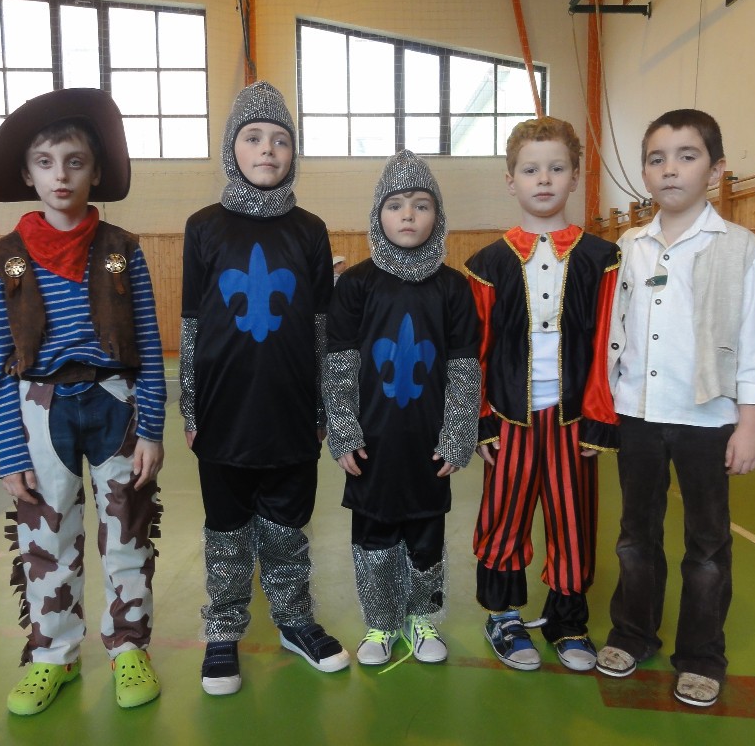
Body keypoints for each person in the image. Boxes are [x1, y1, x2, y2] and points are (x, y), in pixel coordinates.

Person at [0, 88, 166, 715]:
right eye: (45, 162)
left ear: (95, 171)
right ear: (27, 173)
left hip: (116, 403)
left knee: (127, 531)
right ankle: (52, 655)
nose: (60, 175)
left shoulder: (121, 250)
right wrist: (10, 452)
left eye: (74, 161)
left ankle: (129, 647)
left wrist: (151, 428)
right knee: (46, 535)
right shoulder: (5, 260)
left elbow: (149, 342)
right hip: (42, 409)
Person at [595, 109, 755, 707]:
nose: (670, 169)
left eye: (687, 156)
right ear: (645, 172)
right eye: (657, 158)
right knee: (635, 535)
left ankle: (701, 655)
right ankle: (634, 632)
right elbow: (611, 332)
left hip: (707, 419)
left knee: (707, 544)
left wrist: (749, 423)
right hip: (638, 415)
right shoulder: (628, 247)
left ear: (716, 170)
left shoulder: (742, 249)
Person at [180, 80, 348, 696]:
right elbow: (192, 324)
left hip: (291, 408)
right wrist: (190, 406)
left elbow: (323, 328)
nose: (268, 150)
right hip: (223, 408)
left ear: (293, 152)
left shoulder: (310, 229)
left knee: (287, 526)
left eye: (280, 139)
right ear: (232, 147)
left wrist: (328, 407)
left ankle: (294, 620)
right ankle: (223, 630)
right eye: (253, 138)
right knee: (226, 527)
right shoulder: (203, 227)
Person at [465, 117, 620, 673]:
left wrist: (599, 419)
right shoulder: (487, 264)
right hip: (510, 417)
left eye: (557, 168)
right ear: (512, 181)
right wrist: (480, 420)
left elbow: (607, 343)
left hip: (573, 418)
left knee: (573, 521)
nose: (545, 179)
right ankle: (503, 615)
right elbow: (476, 350)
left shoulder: (603, 258)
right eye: (531, 170)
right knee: (503, 517)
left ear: (575, 176)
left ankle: (567, 620)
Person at [323, 151, 480, 667]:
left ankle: (422, 617)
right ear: (378, 215)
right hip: (373, 441)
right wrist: (343, 430)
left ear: (438, 215)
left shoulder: (453, 288)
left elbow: (463, 368)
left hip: (428, 443)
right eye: (395, 205)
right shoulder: (356, 285)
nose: (407, 215)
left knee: (426, 533)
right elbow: (339, 366)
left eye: (420, 205)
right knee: (373, 534)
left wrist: (457, 434)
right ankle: (381, 622)